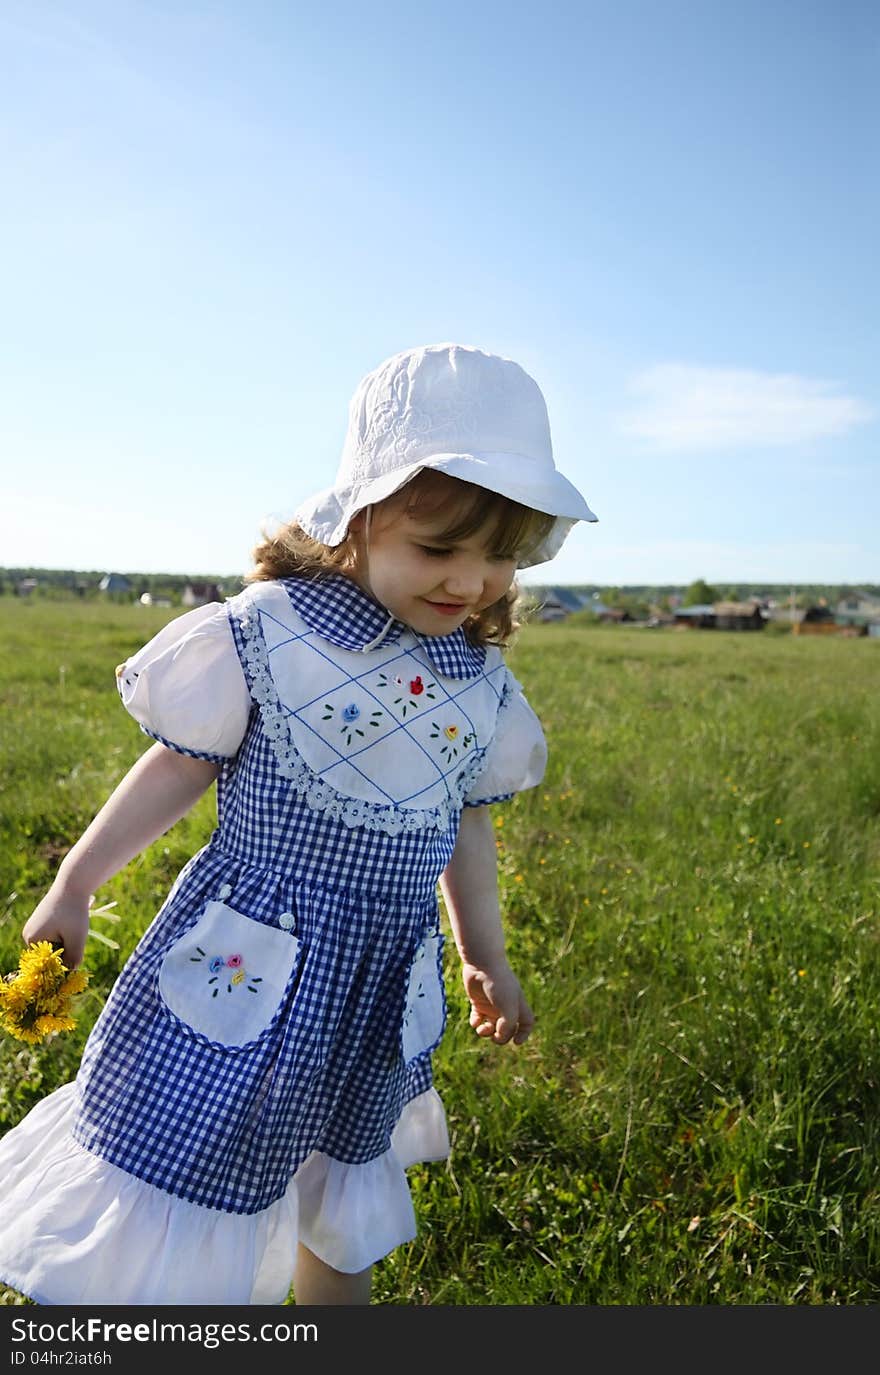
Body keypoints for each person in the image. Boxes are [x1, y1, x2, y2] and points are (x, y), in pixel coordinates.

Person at [0, 342, 597, 1307]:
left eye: (501, 555)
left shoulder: (480, 685)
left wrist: (482, 952)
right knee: (188, 1166)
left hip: (374, 985)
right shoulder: (268, 632)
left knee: (340, 1193)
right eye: (440, 548)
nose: (472, 582)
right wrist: (75, 882)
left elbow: (465, 827)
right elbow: (176, 769)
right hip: (248, 962)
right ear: (356, 520)